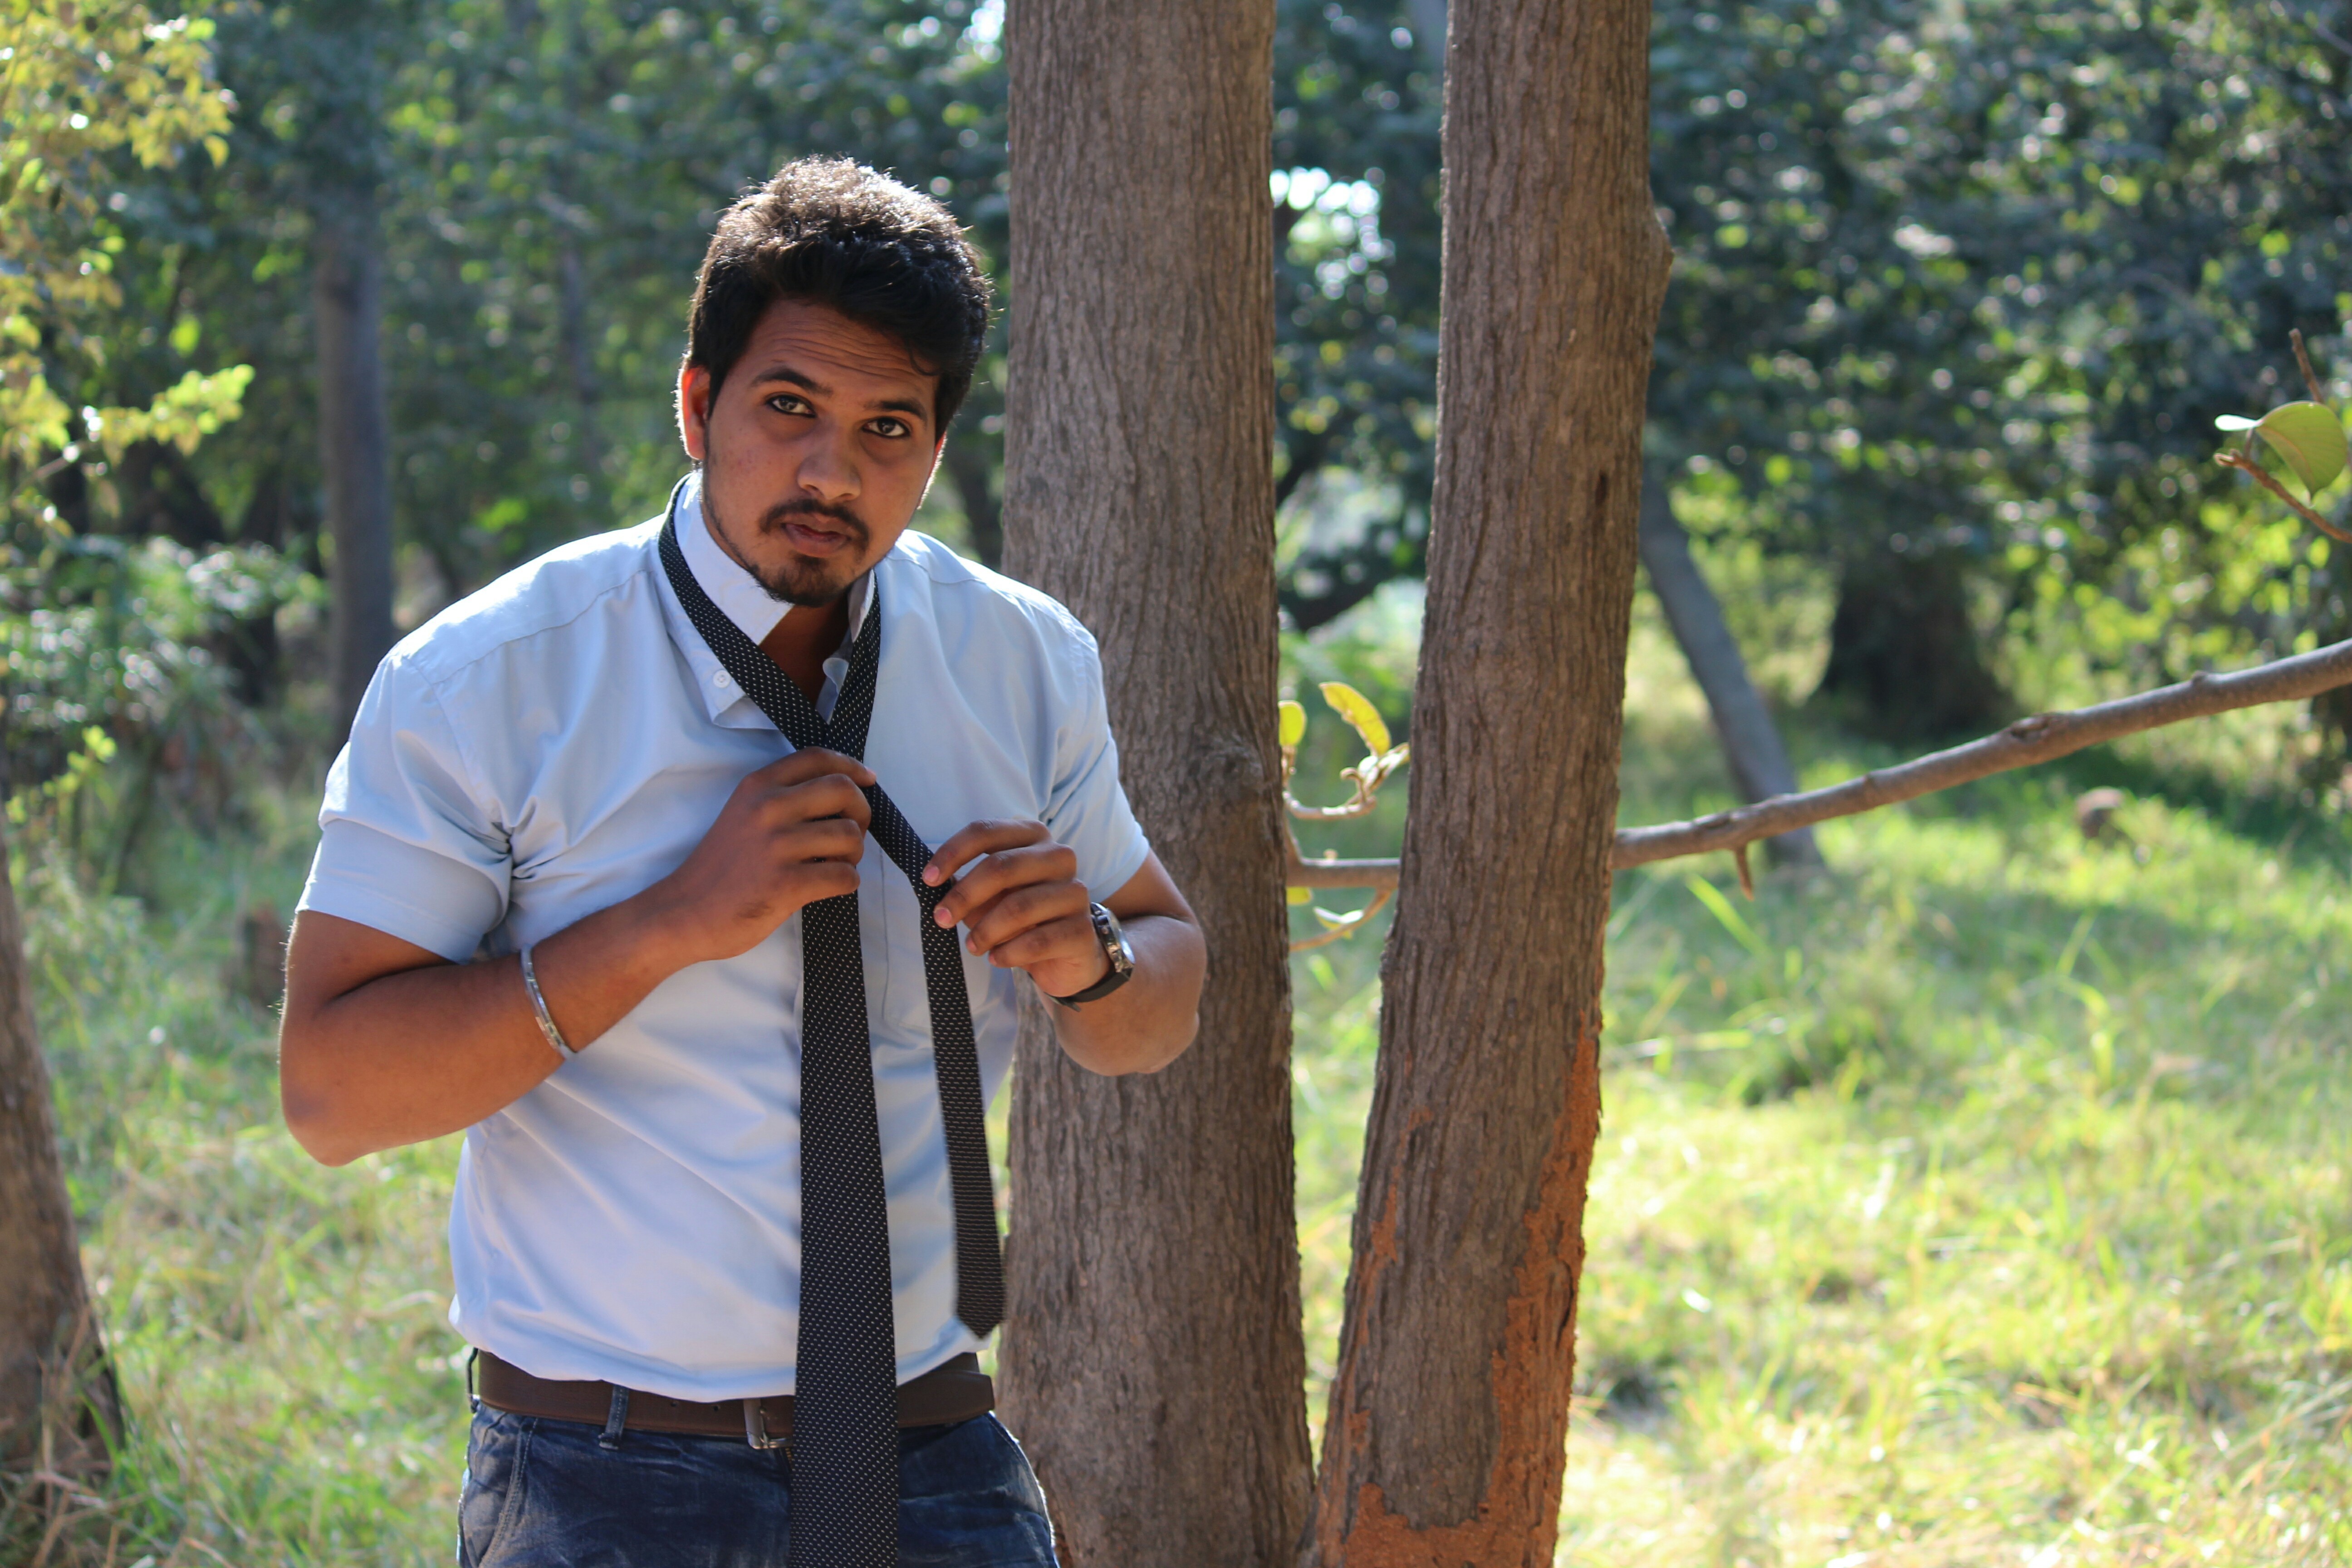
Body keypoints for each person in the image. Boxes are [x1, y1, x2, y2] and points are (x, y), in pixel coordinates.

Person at [277, 157, 1207, 1568]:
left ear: (936, 450)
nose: (833, 472)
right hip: (600, 1474)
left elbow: (1163, 998)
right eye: (789, 407)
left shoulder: (1020, 660)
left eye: (888, 427)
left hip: (936, 1457)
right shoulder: (490, 680)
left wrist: (1097, 960)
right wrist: (668, 923)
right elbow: (331, 1095)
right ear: (698, 403)